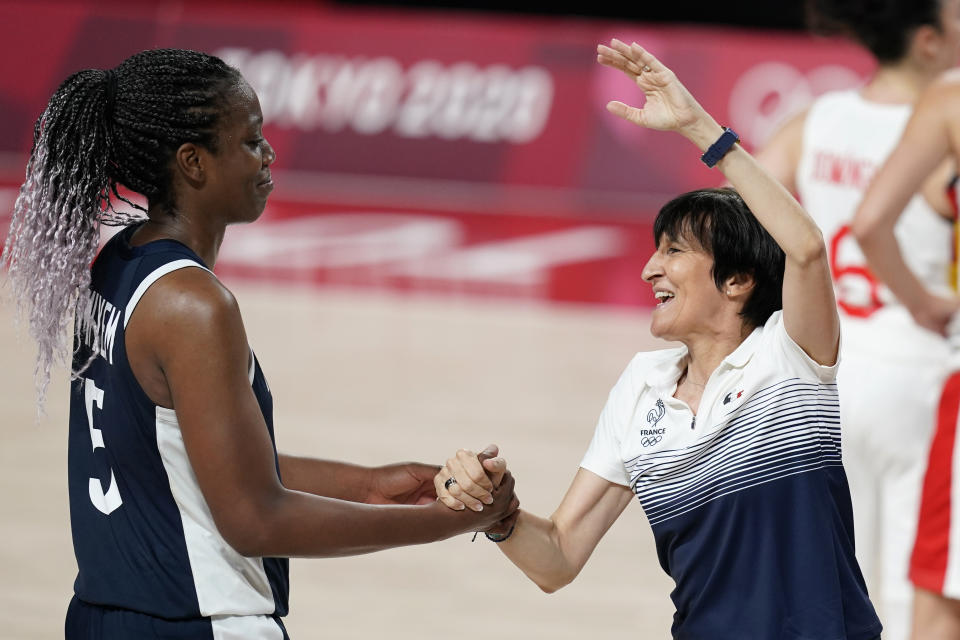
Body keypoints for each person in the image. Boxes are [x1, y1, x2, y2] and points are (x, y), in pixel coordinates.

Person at [0, 48, 518, 639]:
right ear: (193, 162)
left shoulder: (118, 264)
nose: (268, 155)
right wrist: (444, 524)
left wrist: (372, 486)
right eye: (250, 141)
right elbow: (254, 518)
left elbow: (189, 459)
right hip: (196, 621)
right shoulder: (194, 306)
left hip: (101, 617)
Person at [437, 39, 882, 640]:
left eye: (673, 251)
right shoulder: (640, 389)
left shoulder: (789, 359)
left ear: (738, 280)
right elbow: (560, 558)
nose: (649, 270)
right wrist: (498, 516)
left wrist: (700, 129)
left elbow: (803, 246)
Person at [753, 2, 960, 637]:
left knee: (837, 580)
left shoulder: (818, 118)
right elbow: (876, 226)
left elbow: (740, 215)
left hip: (820, 373)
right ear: (927, 42)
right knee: (911, 594)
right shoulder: (946, 121)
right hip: (915, 371)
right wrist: (922, 301)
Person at [853, 59, 960, 640]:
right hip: (907, 372)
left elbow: (869, 221)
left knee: (927, 598)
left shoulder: (948, 99)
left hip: (858, 356)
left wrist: (922, 303)